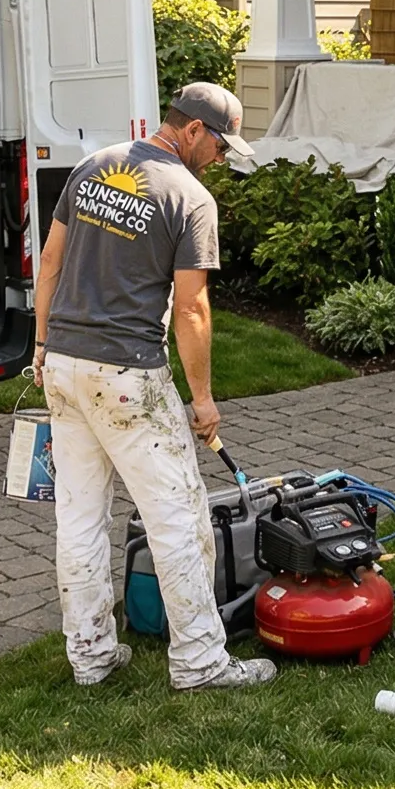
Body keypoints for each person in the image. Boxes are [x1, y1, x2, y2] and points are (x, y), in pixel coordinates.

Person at [32, 81, 274, 689]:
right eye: (220, 146)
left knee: (80, 518)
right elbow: (191, 309)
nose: (220, 158)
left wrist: (40, 344)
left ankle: (90, 657)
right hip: (128, 376)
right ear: (192, 130)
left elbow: (49, 262)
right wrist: (203, 399)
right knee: (180, 519)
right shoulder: (190, 198)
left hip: (63, 364)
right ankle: (200, 661)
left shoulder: (92, 166)